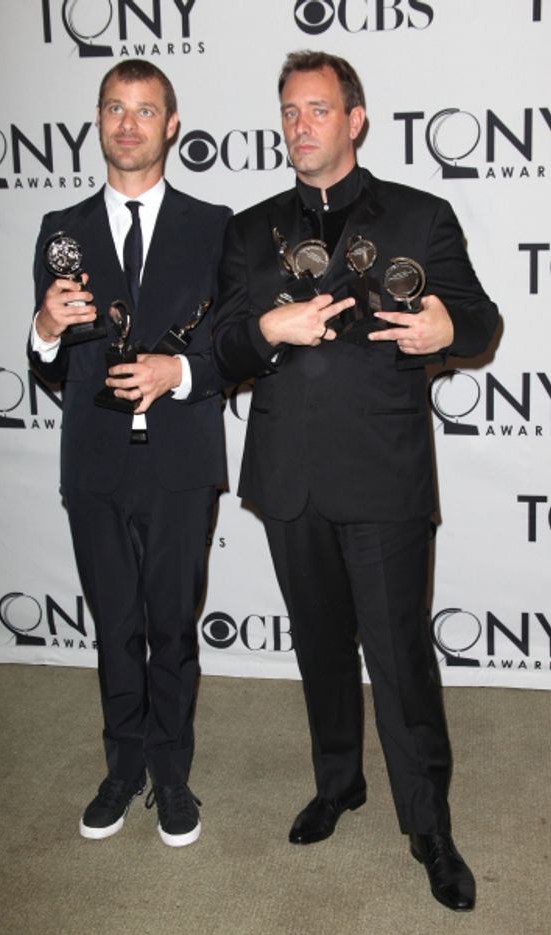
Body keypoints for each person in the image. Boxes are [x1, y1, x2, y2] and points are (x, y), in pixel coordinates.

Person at [212, 50, 498, 911]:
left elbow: (479, 320)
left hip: (383, 476)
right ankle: (339, 782)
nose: (302, 125)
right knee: (320, 646)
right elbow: (221, 348)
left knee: (401, 658)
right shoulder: (247, 229)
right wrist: (270, 324)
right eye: (290, 112)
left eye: (319, 110)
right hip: (290, 475)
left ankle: (429, 825)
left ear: (356, 119)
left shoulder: (421, 215)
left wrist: (445, 327)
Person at [28, 60, 231, 848]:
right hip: (96, 463)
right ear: (99, 118)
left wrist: (176, 370)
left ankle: (172, 774)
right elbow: (48, 362)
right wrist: (43, 329)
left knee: (173, 626)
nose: (128, 124)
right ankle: (124, 766)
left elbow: (237, 347)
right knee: (114, 623)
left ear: (170, 126)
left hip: (181, 458)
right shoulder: (61, 227)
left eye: (145, 110)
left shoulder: (216, 225)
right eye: (115, 107)